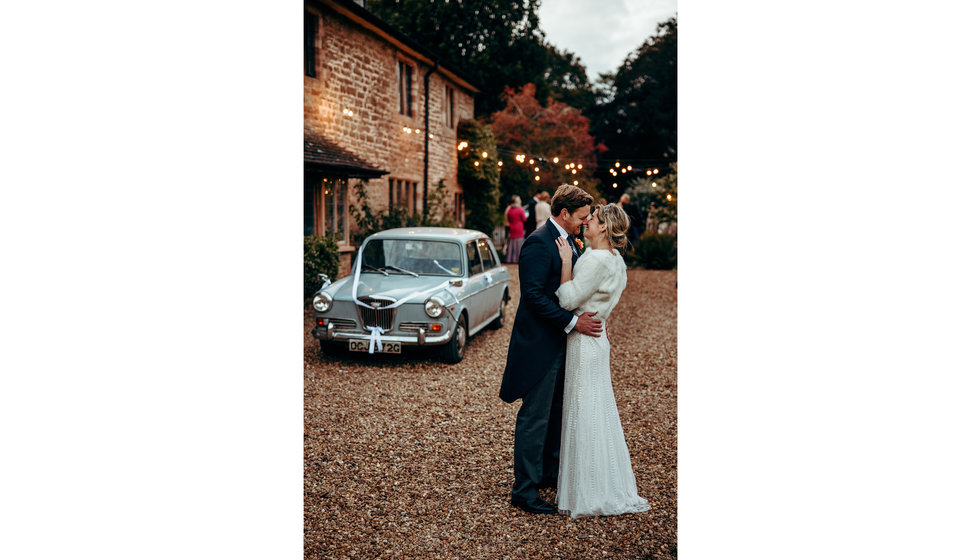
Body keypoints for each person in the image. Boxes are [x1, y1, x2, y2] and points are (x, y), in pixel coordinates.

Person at [499, 184, 604, 515]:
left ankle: (546, 474)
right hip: (540, 346)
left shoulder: (570, 241)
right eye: (582, 217)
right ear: (564, 214)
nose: (585, 223)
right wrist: (574, 323)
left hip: (562, 344)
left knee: (557, 413)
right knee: (535, 418)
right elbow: (533, 296)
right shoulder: (537, 243)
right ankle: (524, 491)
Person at [553, 203, 650, 519]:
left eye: (592, 219)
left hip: (584, 338)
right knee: (597, 405)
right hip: (599, 337)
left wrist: (567, 261)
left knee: (583, 406)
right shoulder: (616, 260)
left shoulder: (593, 259)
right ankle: (601, 480)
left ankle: (588, 488)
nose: (587, 222)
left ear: (605, 227)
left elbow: (567, 299)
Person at [504, 195, 526, 264]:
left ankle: (511, 259)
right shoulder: (520, 209)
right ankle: (518, 259)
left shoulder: (510, 210)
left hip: (512, 227)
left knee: (512, 244)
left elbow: (508, 218)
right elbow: (524, 219)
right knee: (519, 243)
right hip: (519, 227)